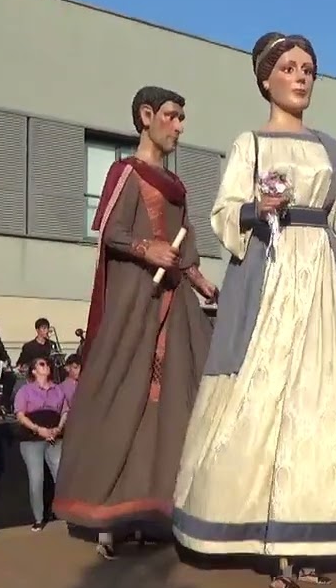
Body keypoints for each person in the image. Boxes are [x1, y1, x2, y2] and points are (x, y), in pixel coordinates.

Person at [174, 32, 336, 588]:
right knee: (263, 393)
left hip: (323, 279)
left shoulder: (332, 150)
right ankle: (262, 532)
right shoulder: (251, 144)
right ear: (266, 79)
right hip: (271, 271)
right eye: (289, 68)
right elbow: (223, 213)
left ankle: (313, 531)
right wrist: (256, 208)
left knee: (322, 399)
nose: (301, 77)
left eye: (308, 68)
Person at [53, 85, 216, 560]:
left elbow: (184, 248)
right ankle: (108, 509)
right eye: (171, 116)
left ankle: (157, 508)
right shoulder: (125, 172)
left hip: (175, 307)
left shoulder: (177, 185)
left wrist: (200, 281)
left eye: (182, 118)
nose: (179, 126)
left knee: (171, 405)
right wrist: (148, 249)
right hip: (136, 302)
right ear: (146, 116)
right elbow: (112, 232)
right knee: (125, 398)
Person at [14, 357, 68, 532]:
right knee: (36, 479)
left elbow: (65, 411)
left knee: (61, 475)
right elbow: (20, 415)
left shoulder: (57, 389)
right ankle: (38, 518)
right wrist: (38, 430)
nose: (46, 367)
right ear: (34, 370)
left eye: (47, 364)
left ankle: (63, 512)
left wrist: (58, 428)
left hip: (54, 437)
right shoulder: (25, 390)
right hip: (32, 439)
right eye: (41, 364)